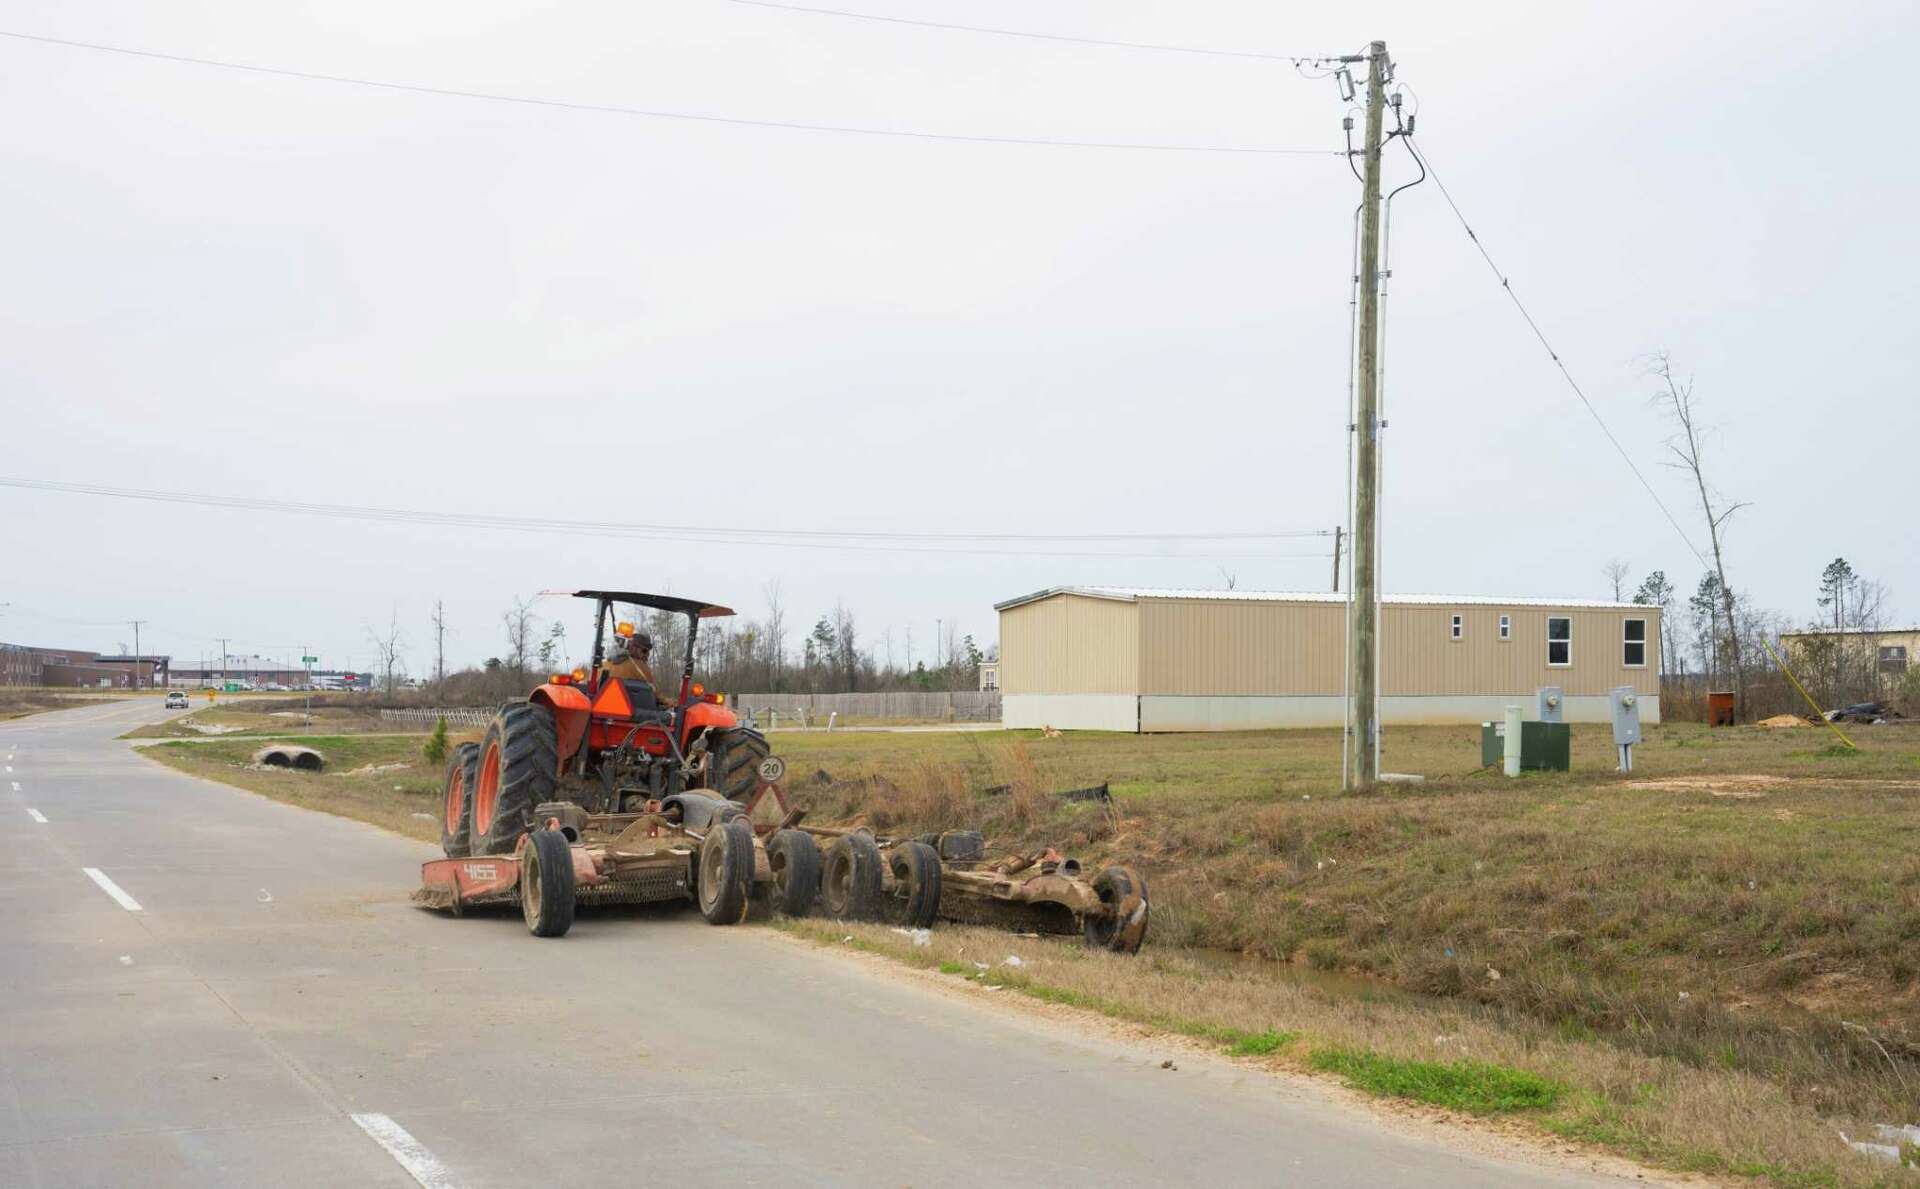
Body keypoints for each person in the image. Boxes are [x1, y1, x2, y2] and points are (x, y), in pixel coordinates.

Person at [600, 631, 672, 705]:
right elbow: (654, 693)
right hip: (627, 710)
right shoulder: (641, 667)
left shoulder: (603, 665)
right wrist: (668, 702)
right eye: (644, 651)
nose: (647, 655)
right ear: (635, 648)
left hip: (602, 706)